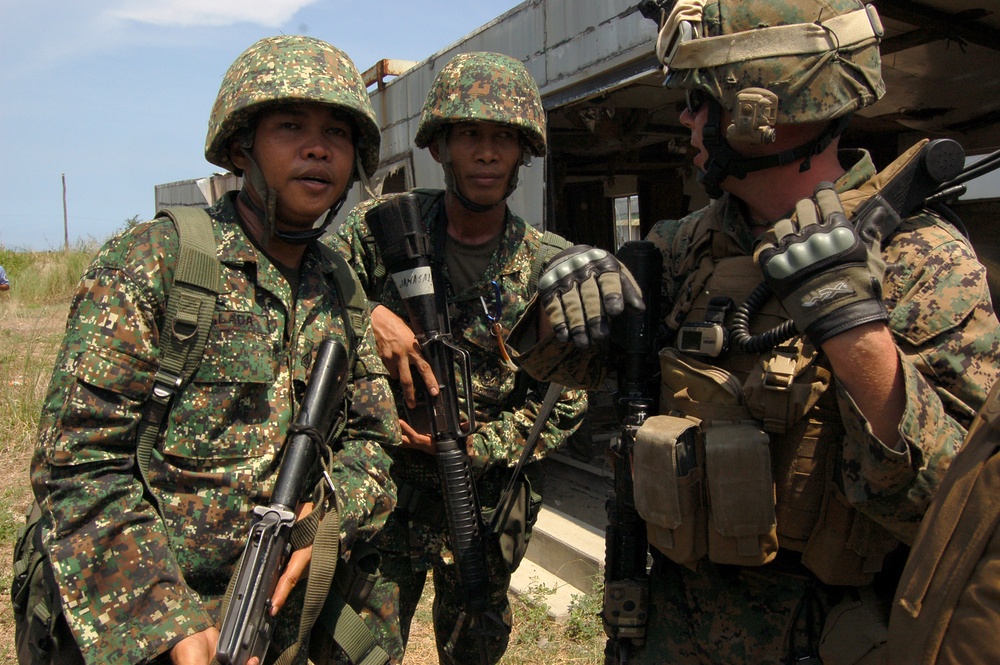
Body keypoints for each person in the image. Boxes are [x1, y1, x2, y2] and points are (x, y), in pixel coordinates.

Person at [519, 0, 1000, 663]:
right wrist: (558, 296)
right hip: (669, 629)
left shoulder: (924, 260)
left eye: (698, 95)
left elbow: (951, 513)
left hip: (829, 638)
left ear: (762, 102)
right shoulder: (680, 249)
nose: (685, 117)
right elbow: (564, 367)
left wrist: (854, 332)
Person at [24, 36, 403, 665]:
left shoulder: (340, 285)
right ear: (240, 147)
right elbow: (78, 465)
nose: (318, 147)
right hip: (155, 617)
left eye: (337, 132)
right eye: (290, 126)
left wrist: (323, 525)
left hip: (286, 610)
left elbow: (373, 439)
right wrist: (166, 621)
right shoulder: (155, 262)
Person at [330, 52, 591, 664]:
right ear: (440, 146)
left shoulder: (549, 264)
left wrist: (486, 445)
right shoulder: (381, 230)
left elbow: (570, 393)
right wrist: (368, 315)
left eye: (503, 137)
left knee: (474, 647)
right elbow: (314, 285)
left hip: (483, 495)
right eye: (470, 134)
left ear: (523, 153)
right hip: (386, 487)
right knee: (356, 650)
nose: (487, 152)